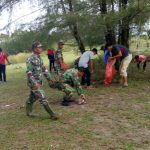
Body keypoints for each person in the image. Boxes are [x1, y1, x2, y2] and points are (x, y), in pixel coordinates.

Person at [26, 41, 58, 120]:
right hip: (33, 82)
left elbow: (44, 69)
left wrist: (49, 79)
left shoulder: (39, 58)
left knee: (32, 97)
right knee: (42, 96)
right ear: (34, 49)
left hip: (39, 81)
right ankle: (52, 114)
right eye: (39, 47)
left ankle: (29, 112)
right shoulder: (30, 59)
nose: (41, 48)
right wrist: (35, 83)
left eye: (41, 47)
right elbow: (29, 73)